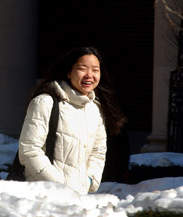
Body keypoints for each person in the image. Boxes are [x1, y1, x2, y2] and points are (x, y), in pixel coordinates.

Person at [18, 47, 125, 194]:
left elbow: (98, 152)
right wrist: (60, 186)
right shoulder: (44, 102)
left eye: (95, 70)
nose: (89, 75)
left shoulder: (95, 109)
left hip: (78, 196)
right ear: (68, 72)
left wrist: (90, 181)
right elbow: (29, 150)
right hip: (44, 195)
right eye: (82, 69)